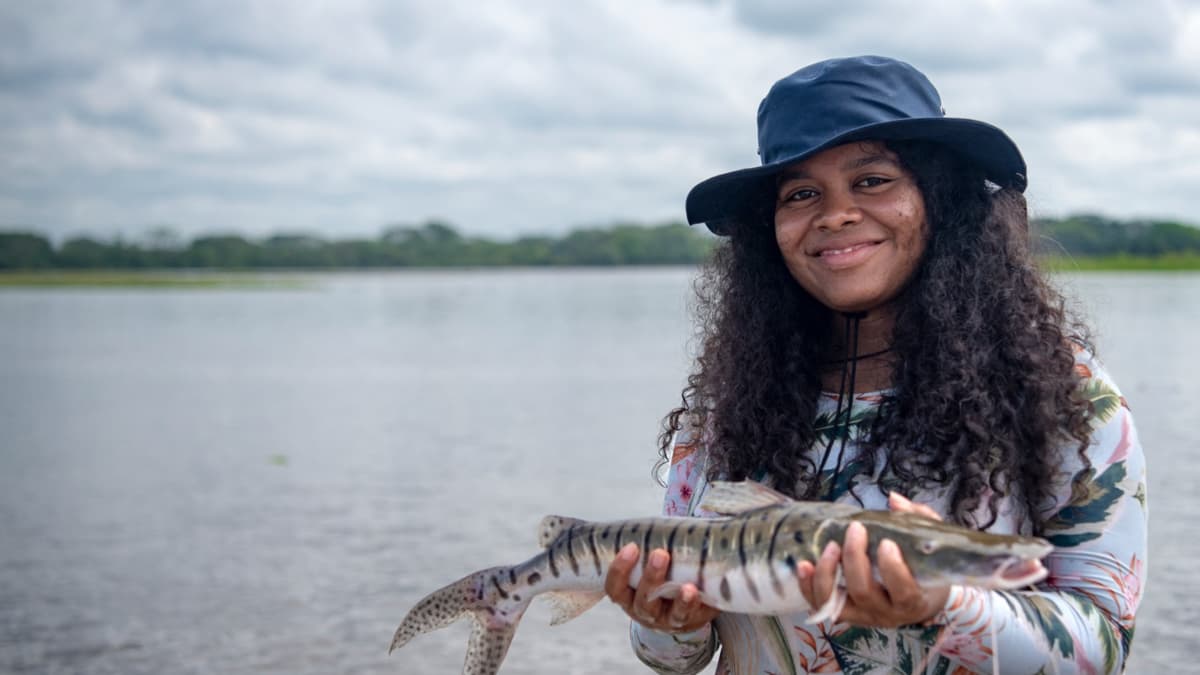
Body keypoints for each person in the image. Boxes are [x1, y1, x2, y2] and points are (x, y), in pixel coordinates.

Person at [603, 56, 1147, 674]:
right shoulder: (720, 411)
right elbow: (675, 660)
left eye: (872, 181)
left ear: (940, 200)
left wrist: (948, 604)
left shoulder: (1064, 395)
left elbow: (1101, 649)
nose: (835, 214)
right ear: (768, 230)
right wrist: (665, 626)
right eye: (802, 194)